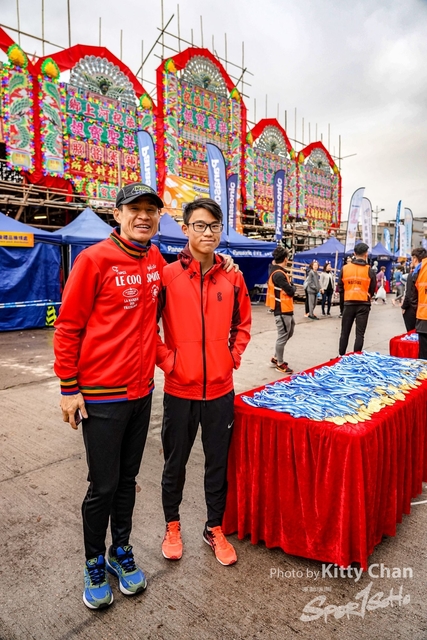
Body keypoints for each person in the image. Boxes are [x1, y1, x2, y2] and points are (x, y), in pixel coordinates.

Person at [53, 184, 236, 609]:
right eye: (134, 209)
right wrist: (68, 388)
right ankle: (93, 561)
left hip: (141, 393)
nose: (143, 216)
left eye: (151, 210)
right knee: (103, 485)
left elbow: (189, 265)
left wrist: (223, 260)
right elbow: (68, 327)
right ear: (117, 214)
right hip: (101, 395)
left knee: (128, 483)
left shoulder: (154, 259)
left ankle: (120, 551)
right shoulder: (93, 260)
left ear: (158, 218)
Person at [156, 198, 251, 567]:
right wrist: (170, 362)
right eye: (199, 225)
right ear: (185, 229)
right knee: (174, 464)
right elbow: (148, 329)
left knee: (217, 464)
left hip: (220, 391)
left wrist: (231, 358)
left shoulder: (233, 276)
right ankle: (172, 525)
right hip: (180, 390)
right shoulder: (167, 276)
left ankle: (214, 527)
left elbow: (242, 325)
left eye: (214, 225)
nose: (207, 232)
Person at [338, 242, 376, 356]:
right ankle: (356, 357)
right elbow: (373, 288)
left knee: (344, 332)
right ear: (366, 254)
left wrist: (343, 305)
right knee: (360, 334)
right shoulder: (369, 270)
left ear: (354, 254)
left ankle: (341, 356)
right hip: (363, 304)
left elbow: (340, 288)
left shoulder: (345, 269)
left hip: (348, 303)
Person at [265, 246, 295, 374]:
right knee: (283, 336)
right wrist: (292, 287)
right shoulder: (278, 274)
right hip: (282, 310)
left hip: (285, 309)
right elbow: (290, 291)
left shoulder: (277, 272)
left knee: (289, 332)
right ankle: (279, 363)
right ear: (285, 259)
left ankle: (276, 357)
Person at [404, 248, 427, 333]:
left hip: (421, 315)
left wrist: (404, 307)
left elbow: (410, 295)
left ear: (415, 258)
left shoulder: (415, 273)